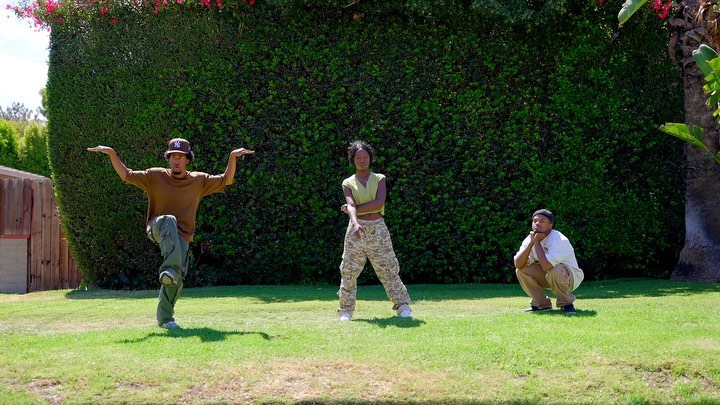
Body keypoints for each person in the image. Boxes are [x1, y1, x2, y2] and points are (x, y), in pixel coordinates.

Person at [88, 139, 254, 329]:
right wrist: (111, 153)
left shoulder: (199, 181)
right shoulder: (155, 176)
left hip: (182, 236)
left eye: (180, 157)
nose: (176, 161)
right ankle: (169, 270)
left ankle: (165, 319)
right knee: (169, 220)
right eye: (173, 156)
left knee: (176, 279)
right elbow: (127, 175)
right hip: (158, 227)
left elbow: (226, 180)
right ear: (168, 159)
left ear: (187, 160)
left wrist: (233, 156)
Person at [337, 140, 412, 321]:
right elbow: (350, 203)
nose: (362, 160)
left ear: (370, 159)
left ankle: (402, 306)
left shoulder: (379, 178)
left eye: (365, 157)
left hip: (378, 228)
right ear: (352, 160)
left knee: (388, 267)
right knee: (349, 270)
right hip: (356, 230)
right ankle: (346, 310)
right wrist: (355, 222)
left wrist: (352, 209)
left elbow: (378, 203)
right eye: (358, 157)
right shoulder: (347, 183)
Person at [513, 209, 584, 314]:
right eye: (535, 221)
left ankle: (566, 304)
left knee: (555, 270)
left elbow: (547, 266)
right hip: (549, 276)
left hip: (570, 278)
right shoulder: (529, 239)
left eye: (542, 221)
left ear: (550, 225)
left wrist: (537, 242)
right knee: (521, 270)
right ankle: (542, 304)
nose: (537, 223)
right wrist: (532, 242)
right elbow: (518, 264)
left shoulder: (559, 239)